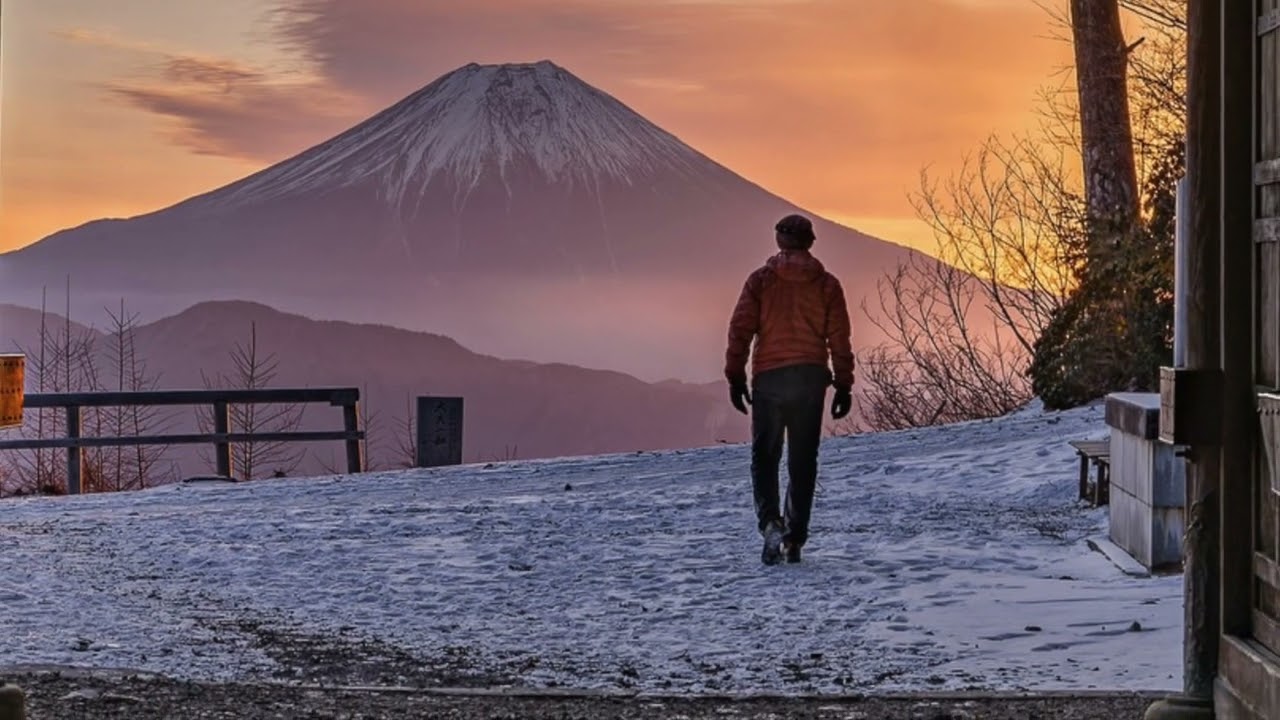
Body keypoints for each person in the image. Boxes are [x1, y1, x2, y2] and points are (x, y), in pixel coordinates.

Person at [724, 213, 854, 565]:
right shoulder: (827, 285)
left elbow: (740, 330)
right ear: (810, 242)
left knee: (764, 457)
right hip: (811, 380)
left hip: (770, 378)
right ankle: (795, 537)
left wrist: (735, 375)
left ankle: (770, 525)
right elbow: (839, 339)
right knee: (802, 461)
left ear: (779, 241)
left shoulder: (761, 282)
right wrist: (844, 384)